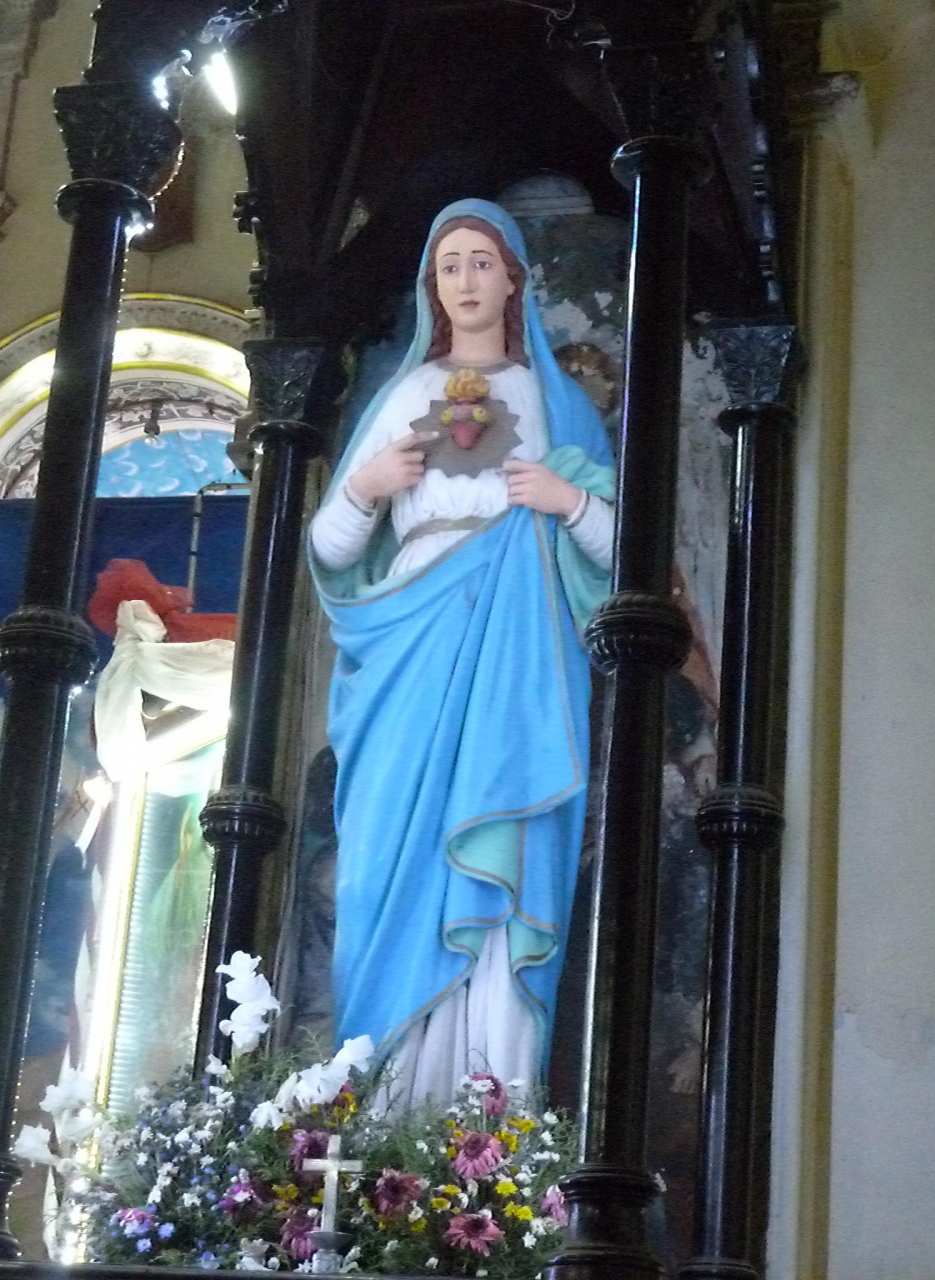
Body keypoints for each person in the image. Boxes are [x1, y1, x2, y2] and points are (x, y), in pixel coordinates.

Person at [309, 198, 615, 1107]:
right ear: (430, 288)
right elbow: (329, 552)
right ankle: (384, 1109)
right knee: (388, 860)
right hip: (410, 641)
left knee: (503, 844)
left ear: (514, 280)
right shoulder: (404, 397)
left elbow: (624, 556)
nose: (467, 280)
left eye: (483, 262)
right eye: (450, 266)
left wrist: (568, 501)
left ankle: (490, 1120)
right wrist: (366, 487)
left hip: (519, 653)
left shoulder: (557, 406)